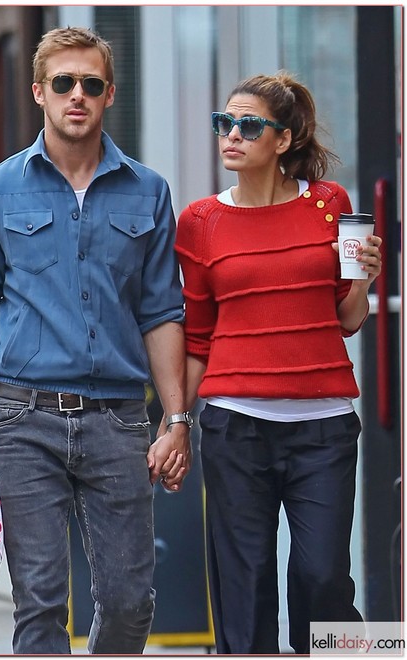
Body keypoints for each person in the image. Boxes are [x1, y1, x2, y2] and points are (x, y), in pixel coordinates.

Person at [0, 26, 192, 655]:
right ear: (39, 91)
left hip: (118, 420)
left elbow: (161, 310)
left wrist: (176, 419)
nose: (78, 95)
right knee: (40, 603)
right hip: (25, 419)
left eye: (91, 84)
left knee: (130, 602)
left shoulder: (148, 191)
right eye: (64, 83)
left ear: (109, 94)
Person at [175, 71, 382, 654]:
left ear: (283, 140)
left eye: (247, 125)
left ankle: (351, 651)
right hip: (234, 426)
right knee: (244, 593)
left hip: (324, 428)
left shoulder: (330, 205)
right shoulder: (199, 222)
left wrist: (364, 278)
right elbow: (198, 336)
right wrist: (177, 425)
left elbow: (345, 318)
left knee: (322, 580)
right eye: (224, 123)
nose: (231, 135)